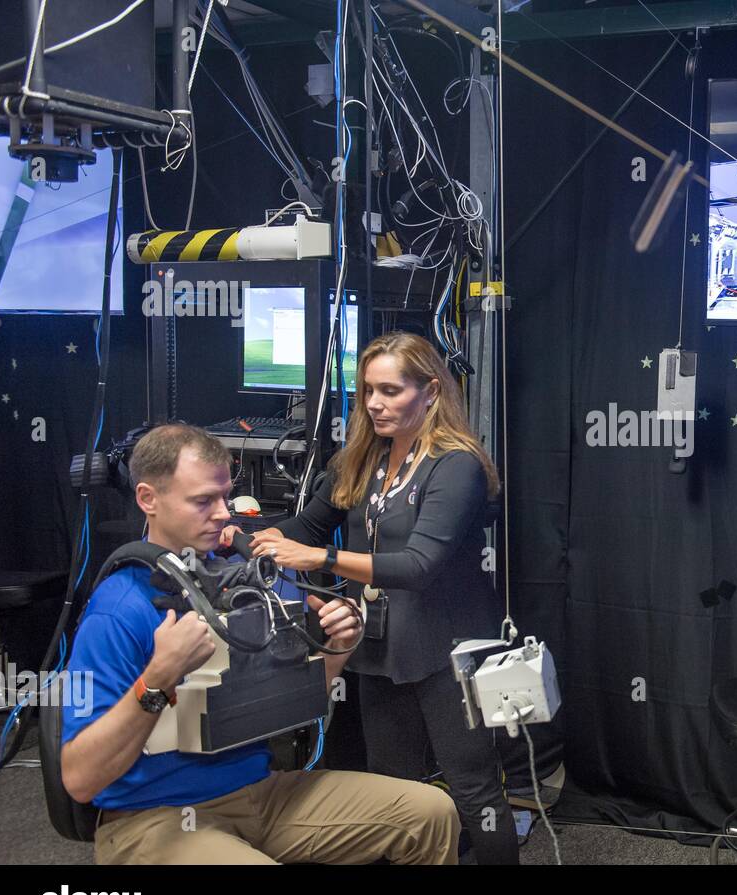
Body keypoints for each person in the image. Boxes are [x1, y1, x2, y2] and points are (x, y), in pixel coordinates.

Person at [61, 423, 460, 864]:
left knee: (430, 813)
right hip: (154, 818)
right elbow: (80, 779)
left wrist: (337, 650)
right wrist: (158, 679)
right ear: (148, 500)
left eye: (224, 497)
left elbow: (288, 711)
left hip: (261, 796)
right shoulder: (118, 610)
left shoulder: (245, 584)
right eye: (202, 501)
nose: (222, 514)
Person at [222, 332, 519, 865]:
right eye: (367, 392)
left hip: (450, 649)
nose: (375, 404)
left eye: (389, 390)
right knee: (394, 791)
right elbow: (307, 528)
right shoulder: (359, 458)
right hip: (381, 643)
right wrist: (240, 532)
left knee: (474, 791)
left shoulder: (457, 466)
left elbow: (420, 566)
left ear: (430, 391)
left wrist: (323, 561)